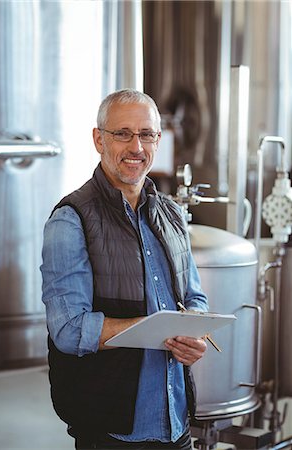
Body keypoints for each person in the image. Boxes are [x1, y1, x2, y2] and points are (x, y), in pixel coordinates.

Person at [40, 89, 208, 450]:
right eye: (123, 134)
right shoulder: (70, 221)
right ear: (99, 139)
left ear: (158, 140)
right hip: (112, 428)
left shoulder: (172, 215)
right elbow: (68, 330)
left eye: (147, 134)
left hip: (177, 421)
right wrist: (154, 329)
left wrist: (195, 334)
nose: (137, 147)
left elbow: (195, 298)